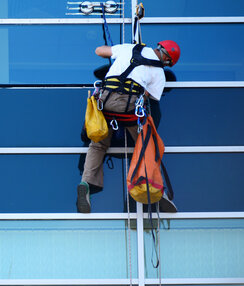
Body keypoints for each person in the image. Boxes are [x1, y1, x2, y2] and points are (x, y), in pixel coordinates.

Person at [77, 40, 180, 214]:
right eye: (168, 62)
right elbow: (152, 103)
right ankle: (157, 191)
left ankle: (86, 184)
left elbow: (99, 51)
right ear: (167, 59)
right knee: (147, 145)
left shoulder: (130, 48)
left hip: (104, 102)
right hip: (127, 108)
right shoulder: (159, 72)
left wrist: (120, 55)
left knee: (98, 144)